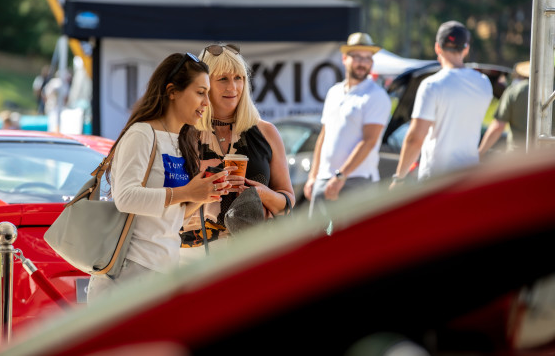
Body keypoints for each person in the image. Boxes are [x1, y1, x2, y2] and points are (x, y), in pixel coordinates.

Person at [87, 52, 230, 303]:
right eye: (200, 92)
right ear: (172, 91)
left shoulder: (181, 140)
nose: (207, 102)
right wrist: (187, 192)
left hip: (164, 271)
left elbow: (172, 217)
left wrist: (203, 195)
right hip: (128, 272)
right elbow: (126, 198)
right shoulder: (141, 134)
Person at [179, 44, 295, 255]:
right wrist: (202, 193)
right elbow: (165, 203)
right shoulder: (183, 134)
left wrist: (259, 193)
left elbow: (287, 202)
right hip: (195, 256)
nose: (232, 87)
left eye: (238, 78)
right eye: (223, 79)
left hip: (255, 252)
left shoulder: (266, 132)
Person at [391, 21, 493, 187]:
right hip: (470, 178)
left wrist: (399, 178)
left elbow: (415, 138)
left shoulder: (432, 85)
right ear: (466, 49)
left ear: (437, 47)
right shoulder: (484, 83)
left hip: (436, 179)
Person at [304, 32, 391, 223]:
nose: (363, 63)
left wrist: (340, 177)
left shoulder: (376, 95)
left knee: (356, 240)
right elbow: (324, 136)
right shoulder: (334, 92)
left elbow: (369, 141)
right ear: (345, 58)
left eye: (367, 58)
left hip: (357, 181)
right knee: (318, 238)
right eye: (357, 57)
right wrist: (313, 176)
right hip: (324, 179)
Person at [478, 61, 555, 156]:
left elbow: (498, 126)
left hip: (518, 155)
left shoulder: (514, 91)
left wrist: (480, 152)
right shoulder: (552, 92)